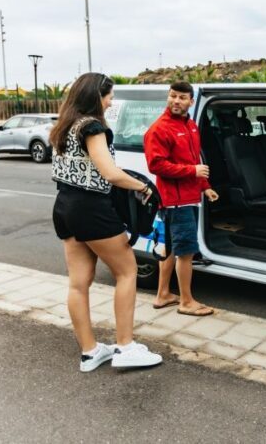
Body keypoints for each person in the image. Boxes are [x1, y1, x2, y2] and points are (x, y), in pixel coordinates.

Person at [51, 72, 163, 372]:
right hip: (91, 208)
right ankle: (126, 347)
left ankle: (90, 352)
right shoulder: (92, 127)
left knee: (78, 283)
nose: (111, 101)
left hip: (64, 206)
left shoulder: (63, 127)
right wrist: (144, 187)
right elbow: (110, 173)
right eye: (108, 95)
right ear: (94, 97)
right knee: (127, 272)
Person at [144, 81, 219, 316]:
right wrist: (193, 173)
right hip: (176, 200)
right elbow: (156, 165)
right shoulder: (159, 129)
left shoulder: (191, 126)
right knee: (186, 251)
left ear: (191, 102)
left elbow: (194, 160)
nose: (176, 101)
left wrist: (205, 186)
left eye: (182, 97)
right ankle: (186, 302)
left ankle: (163, 294)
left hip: (188, 195)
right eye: (173, 96)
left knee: (170, 248)